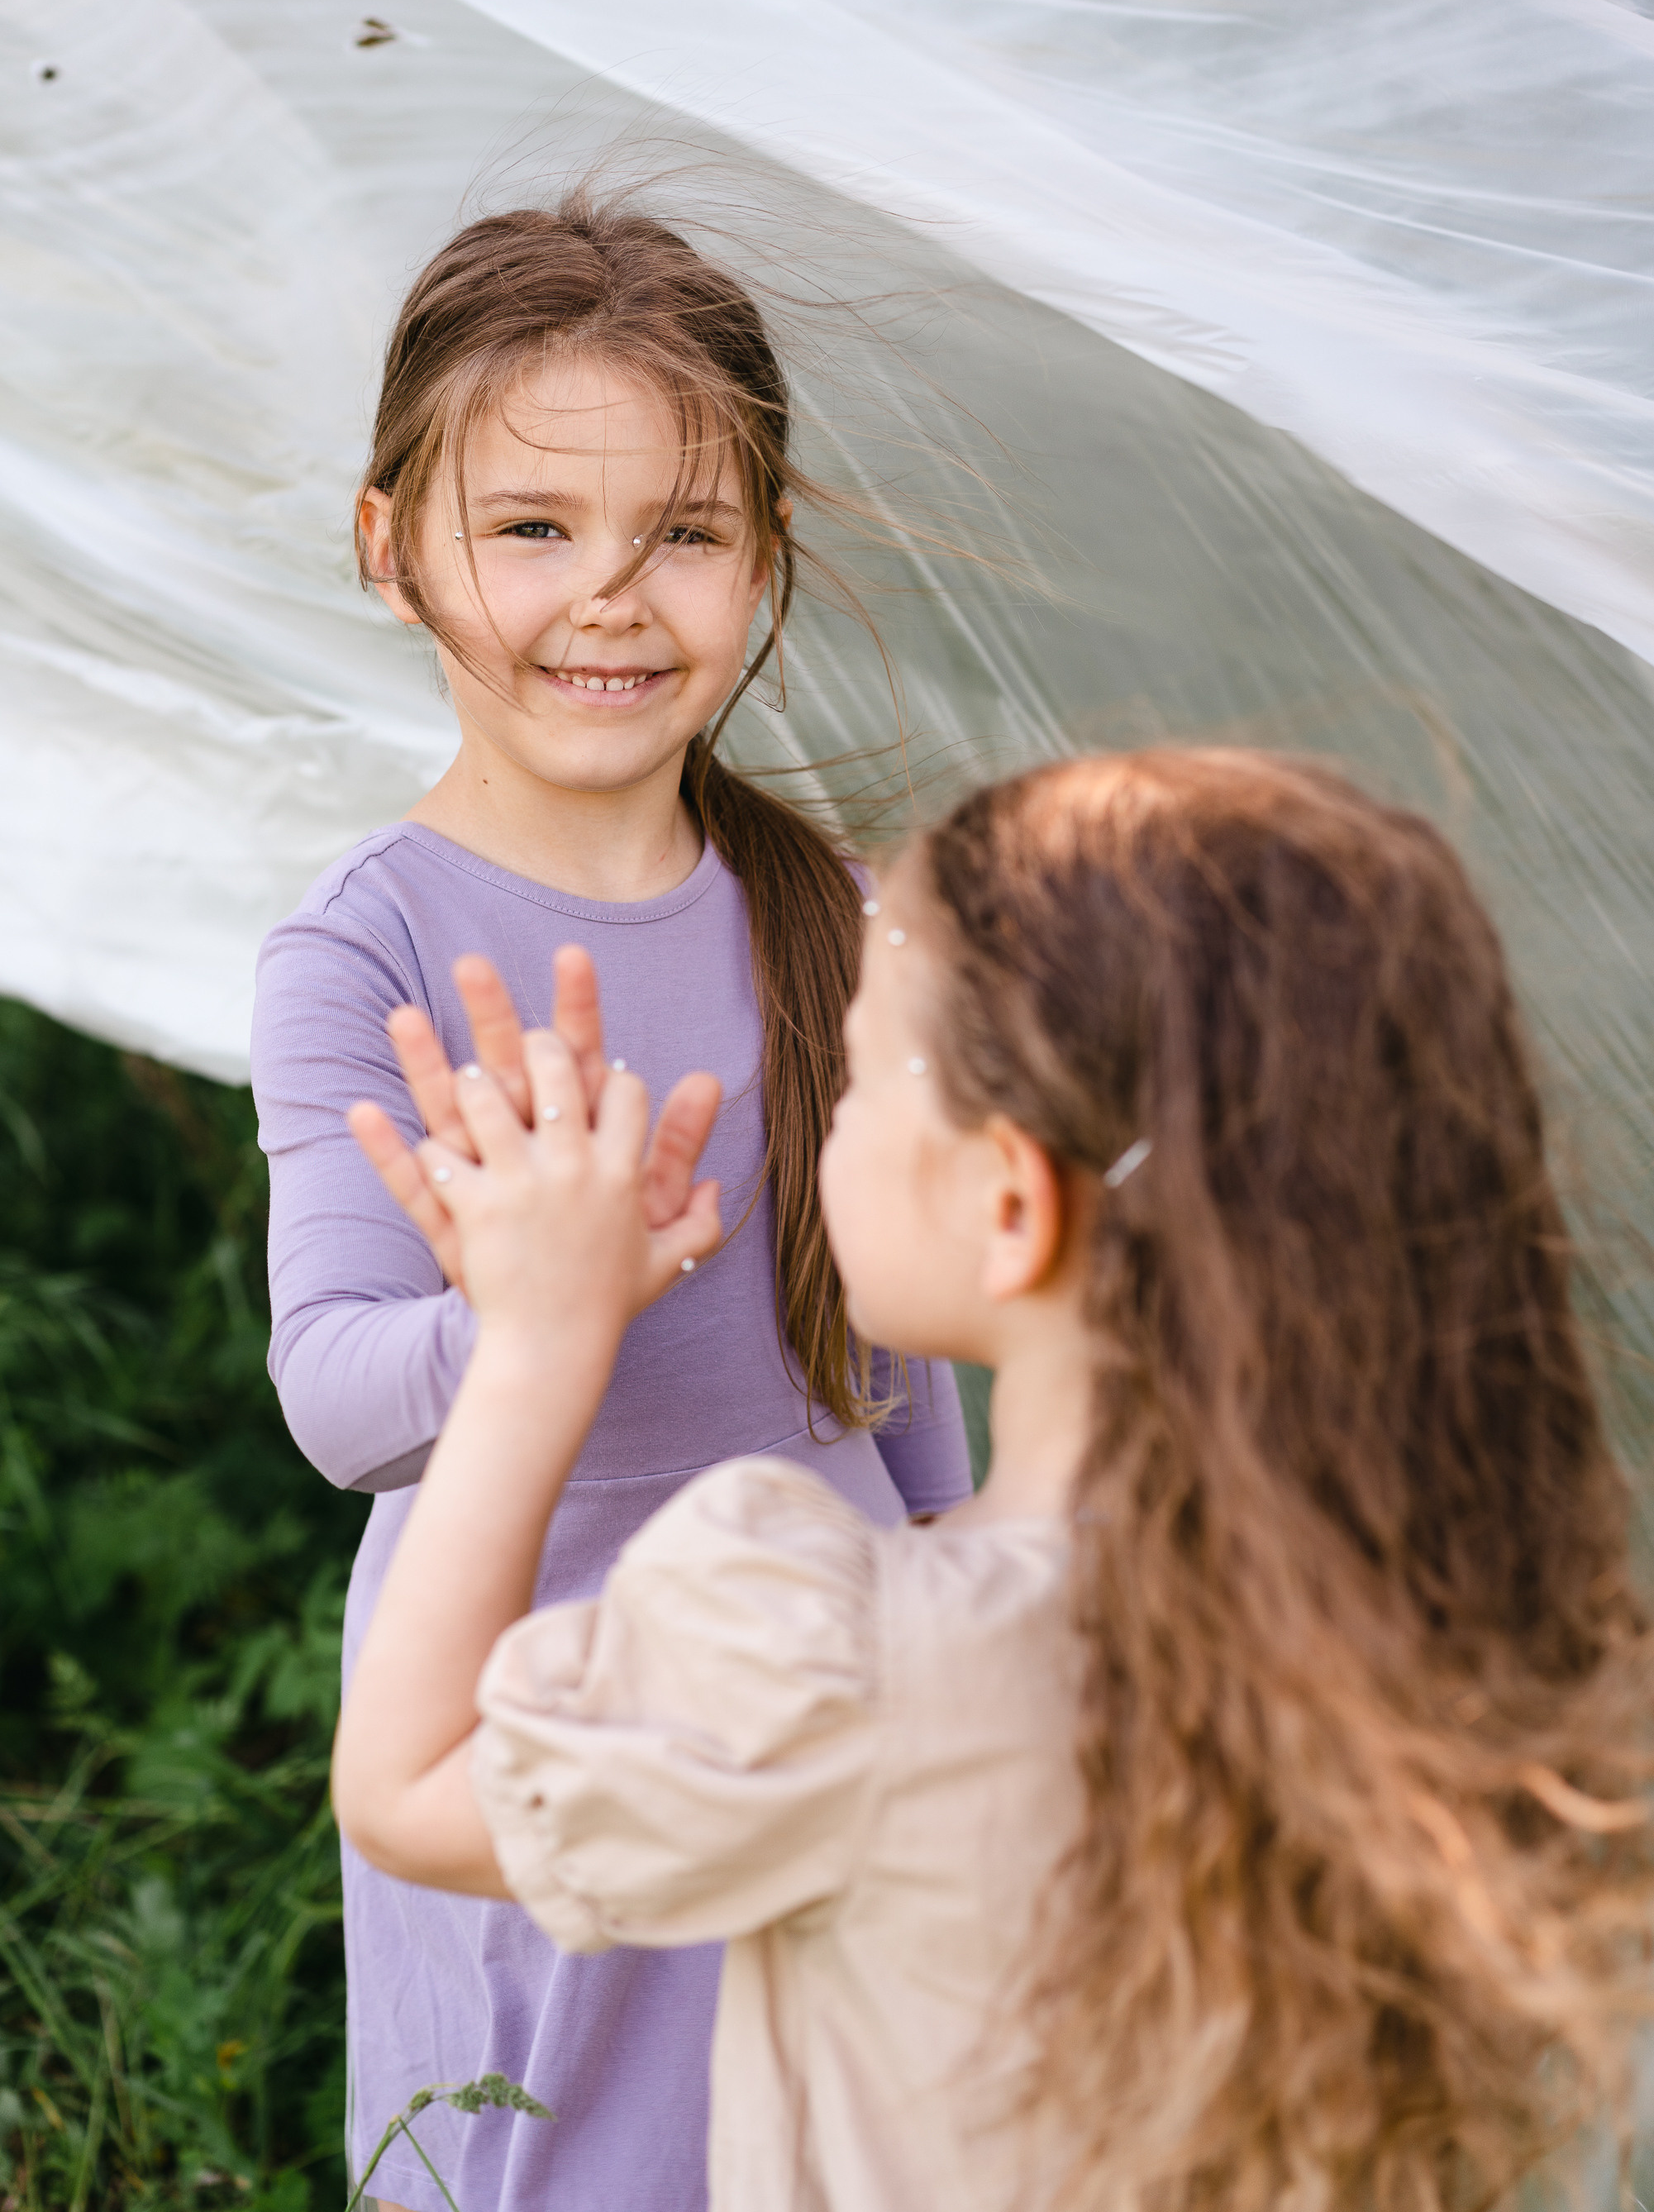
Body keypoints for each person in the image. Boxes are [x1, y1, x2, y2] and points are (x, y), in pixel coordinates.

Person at [335, 746, 1654, 2212]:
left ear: (1011, 1205)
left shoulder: (847, 1665)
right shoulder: (1429, 1627)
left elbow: (408, 1789)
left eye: (852, 1076)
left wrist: (533, 1341)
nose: (822, 1112)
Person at [250, 194, 974, 2212]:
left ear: (764, 563)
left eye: (686, 534)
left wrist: (941, 1591)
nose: (613, 601)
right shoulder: (365, 952)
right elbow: (333, 1391)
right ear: (391, 548)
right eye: (535, 528)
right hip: (531, 1729)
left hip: (838, 1704)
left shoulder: (814, 905)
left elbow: (882, 1344)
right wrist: (529, 1317)